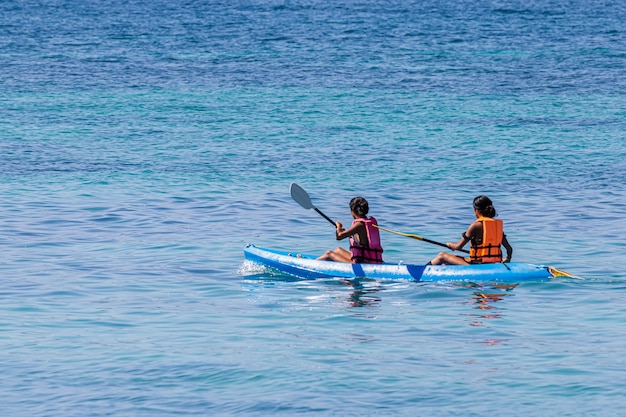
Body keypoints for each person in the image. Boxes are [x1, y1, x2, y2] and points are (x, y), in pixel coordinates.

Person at [429, 195, 513, 265]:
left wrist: (450, 245)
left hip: (477, 264)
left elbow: (458, 247)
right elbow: (509, 249)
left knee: (442, 256)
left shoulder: (475, 226)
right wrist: (507, 259)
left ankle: (421, 271)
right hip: (493, 262)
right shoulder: (496, 227)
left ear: (476, 210)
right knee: (445, 264)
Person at [317, 196, 384, 264]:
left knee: (329, 254)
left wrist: (339, 227)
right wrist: (345, 232)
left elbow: (339, 237)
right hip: (370, 259)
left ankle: (310, 265)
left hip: (363, 263)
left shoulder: (359, 224)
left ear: (352, 211)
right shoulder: (368, 222)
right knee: (338, 250)